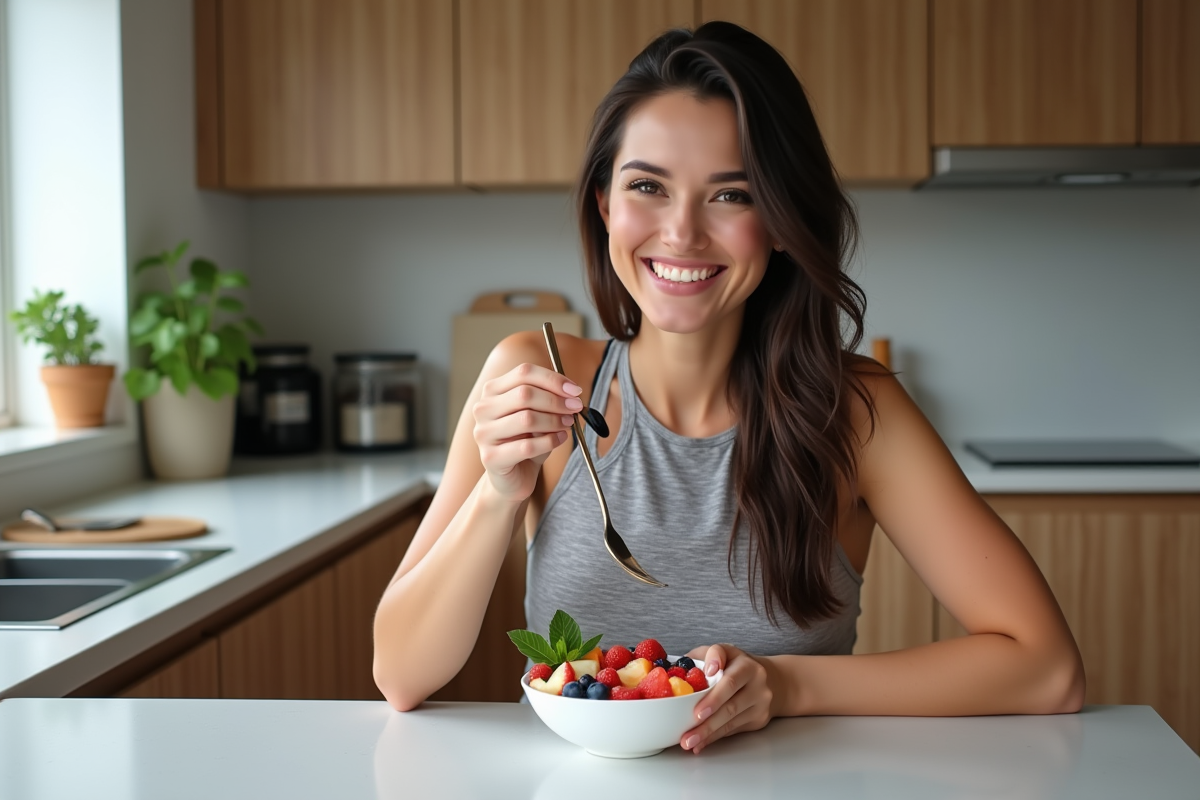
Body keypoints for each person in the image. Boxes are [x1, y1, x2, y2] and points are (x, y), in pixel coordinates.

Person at [373, 21, 1085, 753]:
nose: (681, 233)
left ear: (780, 221)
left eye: (731, 195)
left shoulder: (858, 413)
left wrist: (789, 685)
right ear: (603, 205)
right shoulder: (536, 369)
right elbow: (401, 674)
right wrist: (497, 493)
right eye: (647, 186)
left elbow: (1047, 668)